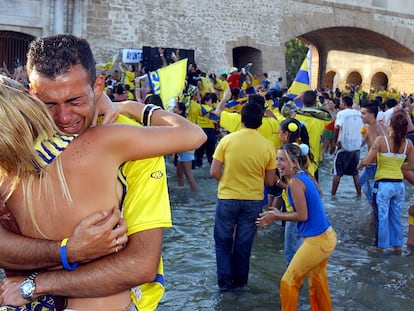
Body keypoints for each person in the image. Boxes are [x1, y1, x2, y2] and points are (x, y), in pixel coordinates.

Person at [0, 34, 199, 310]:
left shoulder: (13, 147)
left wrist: (37, 281)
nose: (64, 118)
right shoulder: (117, 140)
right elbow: (192, 135)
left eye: (75, 101)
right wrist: (130, 107)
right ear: (30, 94)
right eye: (49, 105)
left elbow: (140, 265)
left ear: (98, 86)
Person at [256, 143, 337, 311]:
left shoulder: (295, 182)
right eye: (276, 159)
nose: (277, 163)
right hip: (327, 236)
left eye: (282, 160)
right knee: (317, 282)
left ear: (293, 162)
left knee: (288, 281)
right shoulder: (302, 177)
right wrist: (278, 210)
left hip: (319, 241)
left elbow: (302, 215)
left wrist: (276, 215)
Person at [210, 102, 276, 291]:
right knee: (243, 246)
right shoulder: (267, 145)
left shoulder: (227, 140)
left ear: (241, 119)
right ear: (261, 122)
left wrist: (228, 181)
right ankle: (240, 287)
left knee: (223, 243)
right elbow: (270, 181)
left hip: (227, 198)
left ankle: (224, 287)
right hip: (253, 200)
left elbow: (214, 172)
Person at [357, 112, 414, 253]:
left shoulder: (381, 141)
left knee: (381, 218)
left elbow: (367, 161)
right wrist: (397, 165)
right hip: (399, 186)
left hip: (383, 185)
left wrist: (359, 166)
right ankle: (398, 248)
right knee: (395, 218)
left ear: (390, 125)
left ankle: (380, 249)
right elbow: (411, 166)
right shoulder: (408, 144)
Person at [358, 102, 387, 225]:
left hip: (374, 167)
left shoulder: (371, 128)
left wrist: (362, 163)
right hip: (382, 166)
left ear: (371, 115)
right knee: (361, 182)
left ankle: (373, 227)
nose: (361, 116)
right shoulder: (382, 126)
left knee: (374, 201)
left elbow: (376, 149)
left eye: (363, 113)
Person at [331, 95, 363, 196]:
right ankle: (359, 194)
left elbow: (337, 128)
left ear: (344, 104)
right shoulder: (359, 114)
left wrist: (335, 141)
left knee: (337, 173)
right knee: (355, 173)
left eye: (340, 102)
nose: (339, 104)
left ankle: (333, 195)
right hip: (356, 148)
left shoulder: (341, 114)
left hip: (344, 147)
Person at [172, 101, 199, 192]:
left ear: (180, 111)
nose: (173, 109)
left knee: (188, 174)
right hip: (182, 150)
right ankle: (182, 189)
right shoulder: (179, 120)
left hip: (186, 150)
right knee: (179, 173)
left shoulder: (180, 121)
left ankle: (196, 193)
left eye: (175, 107)